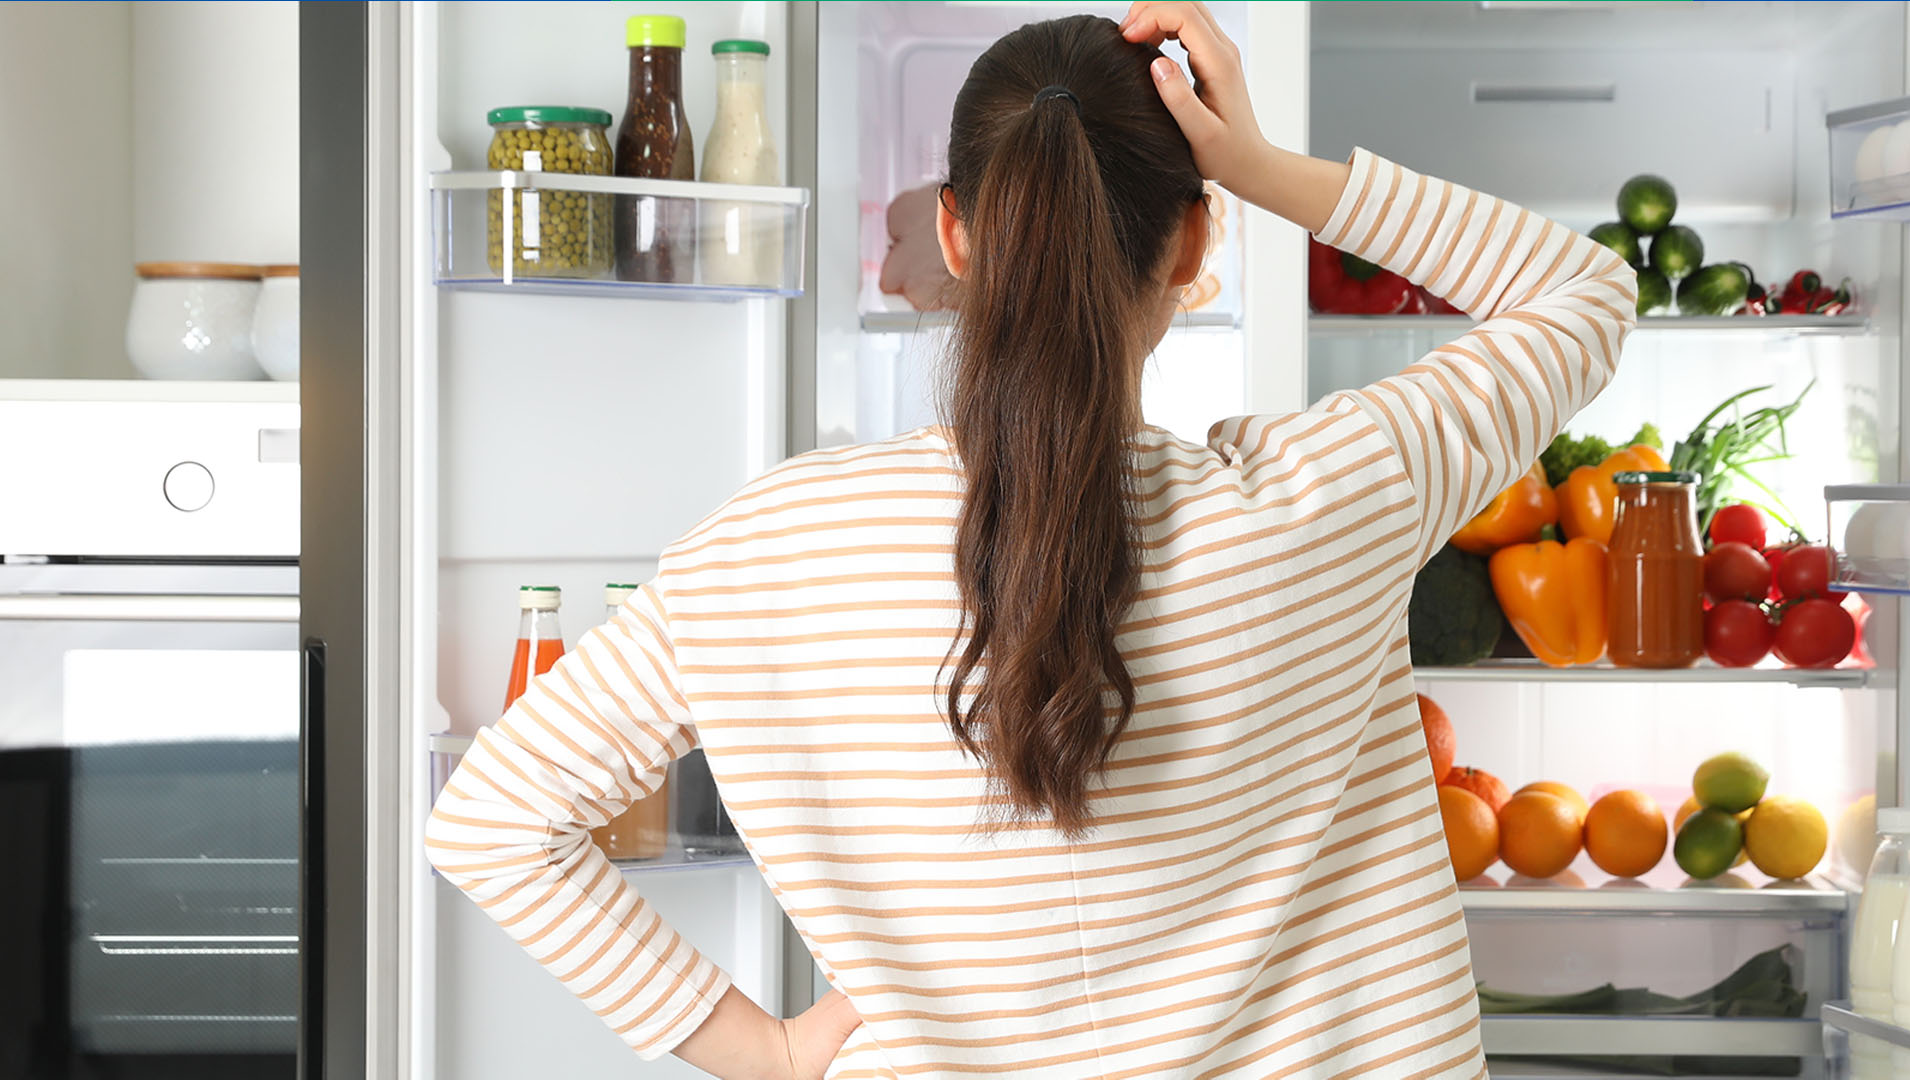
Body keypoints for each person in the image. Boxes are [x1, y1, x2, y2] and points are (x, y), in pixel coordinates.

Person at [425, 4, 1634, 1077]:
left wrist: (769, 1053)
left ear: (954, 237)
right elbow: (1583, 293)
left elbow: (492, 822)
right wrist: (1260, 164)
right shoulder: (1332, 499)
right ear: (1194, 247)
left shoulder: (766, 550)